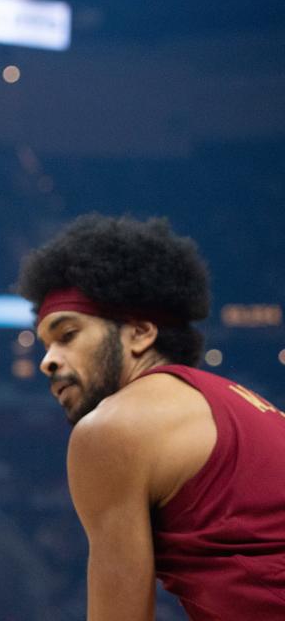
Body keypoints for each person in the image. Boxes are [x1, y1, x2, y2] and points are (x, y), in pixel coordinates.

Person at [16, 213, 285, 620]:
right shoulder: (239, 400)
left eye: (67, 335)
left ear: (140, 333)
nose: (48, 362)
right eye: (46, 345)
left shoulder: (112, 428)